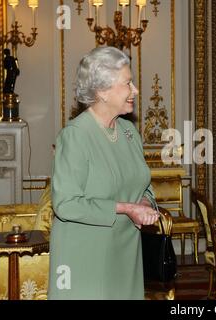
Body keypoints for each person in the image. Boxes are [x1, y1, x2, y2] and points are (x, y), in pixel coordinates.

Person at [48, 46, 159, 300]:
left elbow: (144, 186)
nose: (135, 90)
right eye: (128, 83)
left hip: (125, 252)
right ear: (102, 91)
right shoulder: (75, 136)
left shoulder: (129, 132)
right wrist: (125, 208)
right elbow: (65, 204)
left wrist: (142, 203)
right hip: (85, 256)